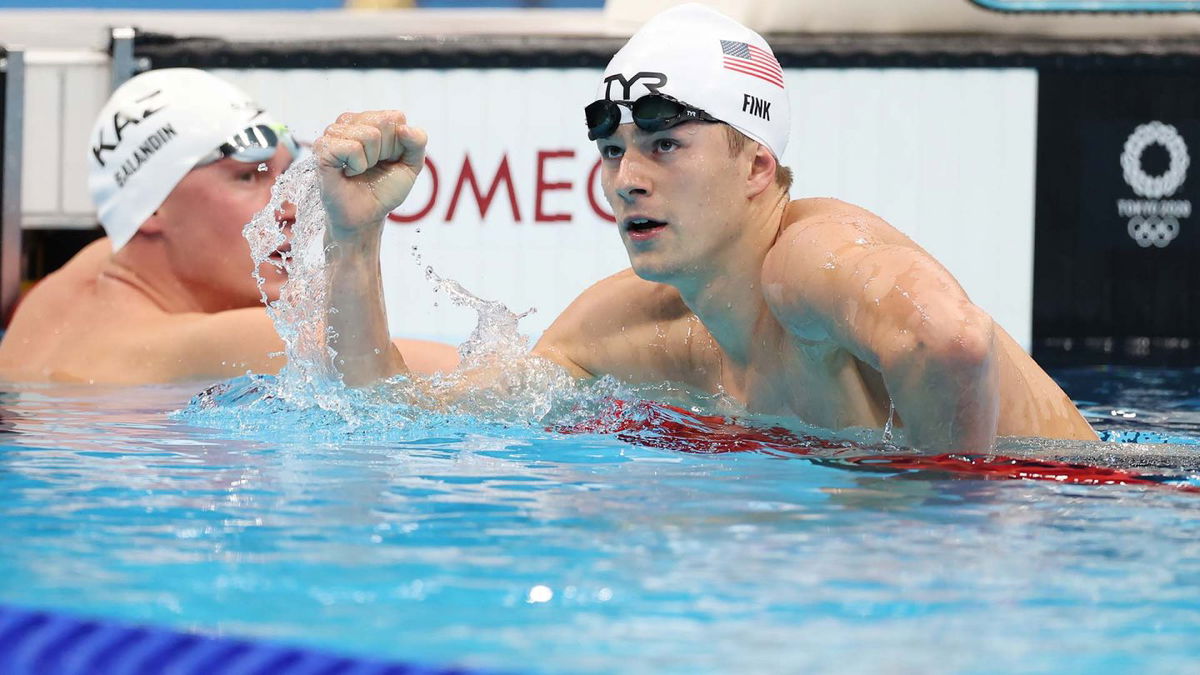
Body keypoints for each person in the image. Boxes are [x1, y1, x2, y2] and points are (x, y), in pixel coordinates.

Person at [314, 4, 1095, 452]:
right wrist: (354, 242)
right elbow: (388, 411)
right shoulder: (636, 326)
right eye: (614, 150)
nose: (627, 178)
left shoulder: (808, 261)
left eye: (665, 145)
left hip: (1084, 512)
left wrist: (929, 547)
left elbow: (950, 341)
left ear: (757, 167)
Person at [0, 68, 457, 385]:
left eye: (286, 174)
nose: (289, 208)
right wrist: (356, 239)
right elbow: (501, 388)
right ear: (153, 210)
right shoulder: (201, 345)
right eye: (246, 178)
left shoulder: (72, 286)